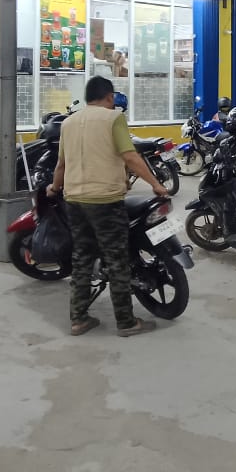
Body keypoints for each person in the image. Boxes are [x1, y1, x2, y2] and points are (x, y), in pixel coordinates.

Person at [48, 75, 169, 337]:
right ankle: (126, 322)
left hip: (75, 200)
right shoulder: (113, 118)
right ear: (110, 97)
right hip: (105, 201)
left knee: (82, 258)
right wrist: (156, 184)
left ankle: (79, 319)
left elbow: (61, 165)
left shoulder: (68, 122)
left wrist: (54, 188)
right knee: (117, 260)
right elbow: (130, 156)